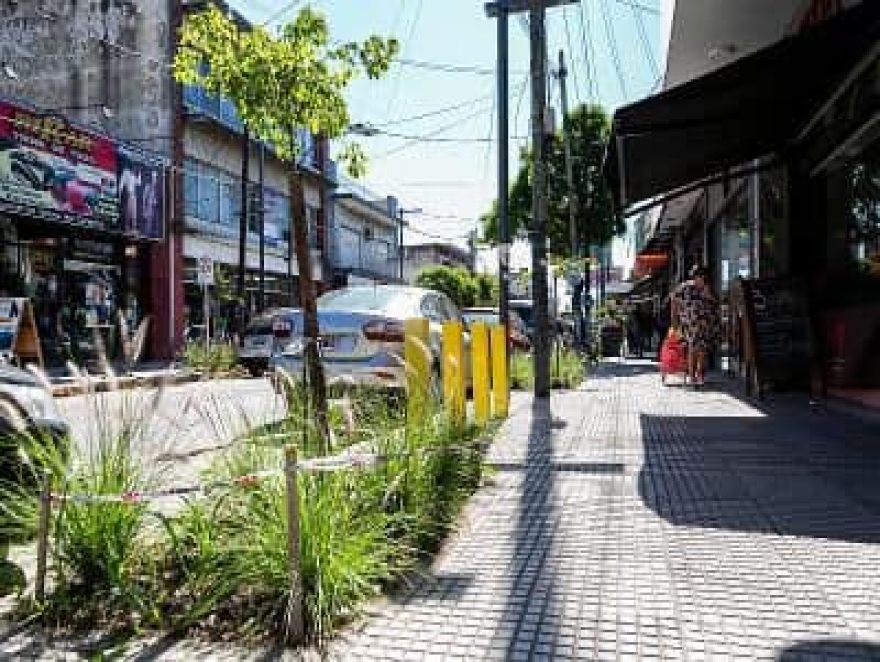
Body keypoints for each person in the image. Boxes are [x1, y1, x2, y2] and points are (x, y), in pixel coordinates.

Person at [670, 265, 719, 386]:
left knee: (702, 348)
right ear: (695, 276)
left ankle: (699, 373)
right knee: (692, 347)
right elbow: (673, 299)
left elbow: (716, 302)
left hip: (704, 322)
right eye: (699, 276)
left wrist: (708, 295)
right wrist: (674, 319)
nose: (701, 279)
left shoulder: (707, 288)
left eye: (703, 277)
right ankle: (692, 375)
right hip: (690, 322)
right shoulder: (685, 287)